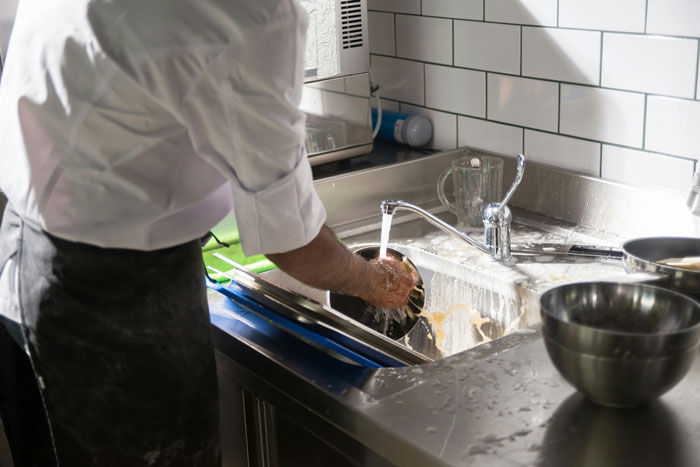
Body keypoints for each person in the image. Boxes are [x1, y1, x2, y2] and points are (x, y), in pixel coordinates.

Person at [0, 0, 416, 465]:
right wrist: (366, 278)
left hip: (24, 251)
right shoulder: (253, 13)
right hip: (113, 299)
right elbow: (291, 241)